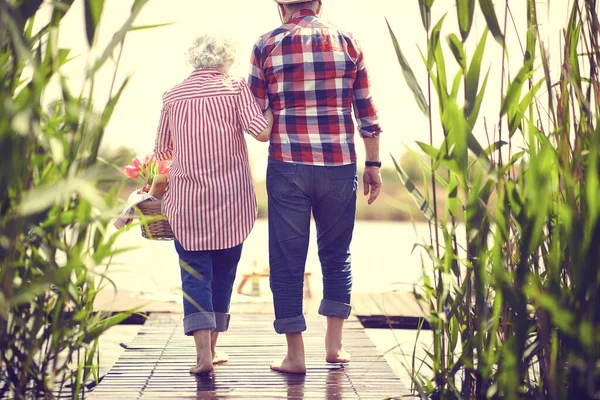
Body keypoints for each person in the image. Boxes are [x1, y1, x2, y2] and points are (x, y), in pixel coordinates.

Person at [248, 0, 383, 374]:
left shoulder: (265, 45)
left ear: (281, 7)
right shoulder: (348, 42)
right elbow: (367, 113)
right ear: (319, 3)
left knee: (287, 262)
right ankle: (334, 348)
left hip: (287, 165)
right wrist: (372, 163)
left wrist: (282, 108)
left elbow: (256, 120)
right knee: (337, 256)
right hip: (339, 165)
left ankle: (295, 356)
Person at [154, 34, 273, 375]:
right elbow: (261, 132)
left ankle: (203, 355)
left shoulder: (172, 96)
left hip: (187, 204)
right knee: (223, 276)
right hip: (230, 204)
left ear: (194, 57)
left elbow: (162, 153)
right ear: (227, 59)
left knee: (195, 277)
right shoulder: (236, 89)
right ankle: (214, 349)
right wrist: (274, 105)